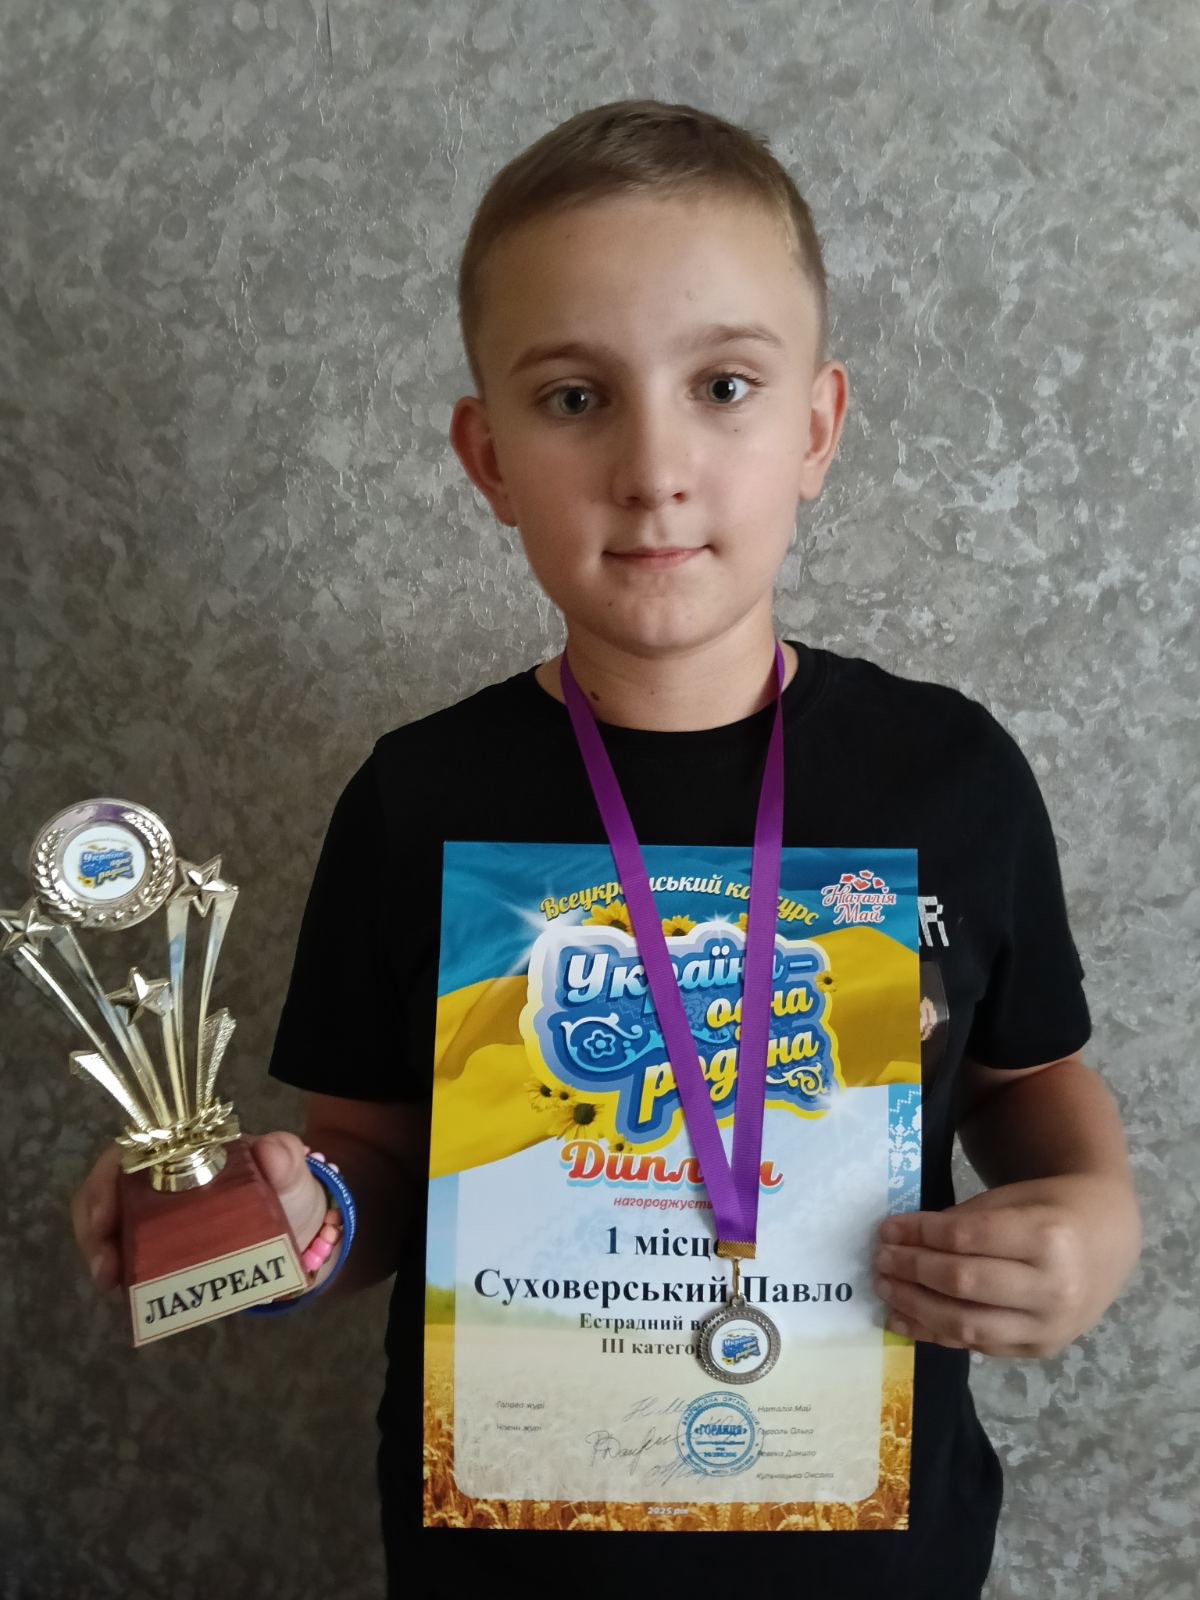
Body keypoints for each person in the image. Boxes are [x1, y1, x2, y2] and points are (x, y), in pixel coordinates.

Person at [71, 100, 1141, 1598]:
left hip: (873, 1549)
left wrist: (1095, 1219)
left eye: (723, 385)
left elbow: (1029, 1085)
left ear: (816, 427)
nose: (653, 465)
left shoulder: (950, 775)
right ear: (489, 459)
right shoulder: (415, 797)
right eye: (575, 398)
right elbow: (371, 1156)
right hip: (506, 1546)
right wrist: (280, 1220)